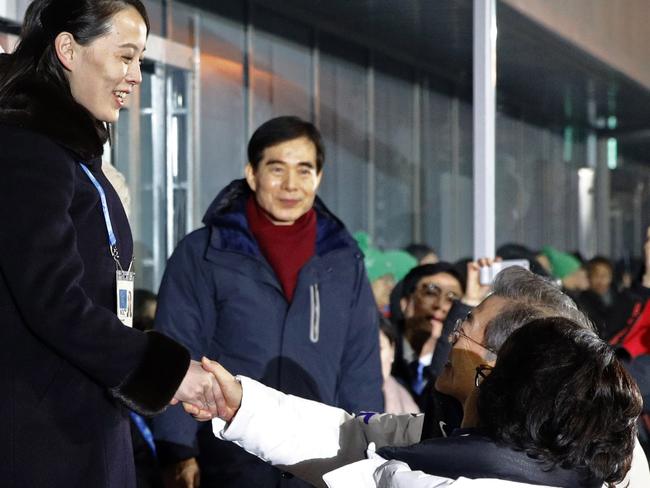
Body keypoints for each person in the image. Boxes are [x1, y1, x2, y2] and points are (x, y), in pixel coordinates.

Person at [0, 2, 220, 487]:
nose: (136, 76)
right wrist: (168, 372)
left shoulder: (73, 156)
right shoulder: (26, 150)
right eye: (126, 57)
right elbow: (55, 303)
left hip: (81, 423)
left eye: (140, 60)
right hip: (42, 441)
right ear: (67, 50)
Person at [151, 115, 383, 487]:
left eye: (304, 170)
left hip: (320, 459)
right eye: (277, 169)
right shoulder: (205, 251)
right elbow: (178, 345)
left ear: (319, 177)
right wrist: (177, 448)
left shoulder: (342, 259)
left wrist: (372, 450)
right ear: (252, 173)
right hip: (227, 457)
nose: (291, 185)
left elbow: (360, 366)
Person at [194, 316, 643, 488]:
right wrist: (242, 407)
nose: (453, 336)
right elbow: (354, 437)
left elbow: (367, 463)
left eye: (469, 326)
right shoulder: (584, 455)